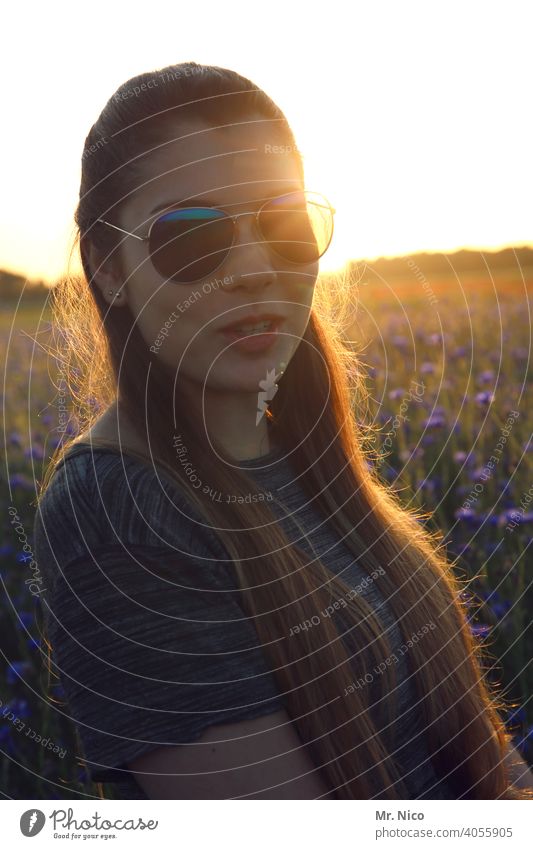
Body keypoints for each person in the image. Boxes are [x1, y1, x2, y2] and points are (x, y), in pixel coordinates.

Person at [33, 61, 533, 800]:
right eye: (191, 236)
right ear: (108, 268)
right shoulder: (115, 506)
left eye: (284, 223)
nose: (253, 267)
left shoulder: (308, 461)